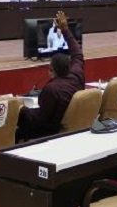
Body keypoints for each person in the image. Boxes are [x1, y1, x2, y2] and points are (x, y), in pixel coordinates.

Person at [17, 11, 84, 140]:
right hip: (74, 127)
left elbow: (40, 119)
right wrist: (65, 30)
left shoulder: (52, 89)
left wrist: (20, 108)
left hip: (52, 131)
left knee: (18, 128)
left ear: (52, 70)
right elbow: (78, 53)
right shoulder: (77, 74)